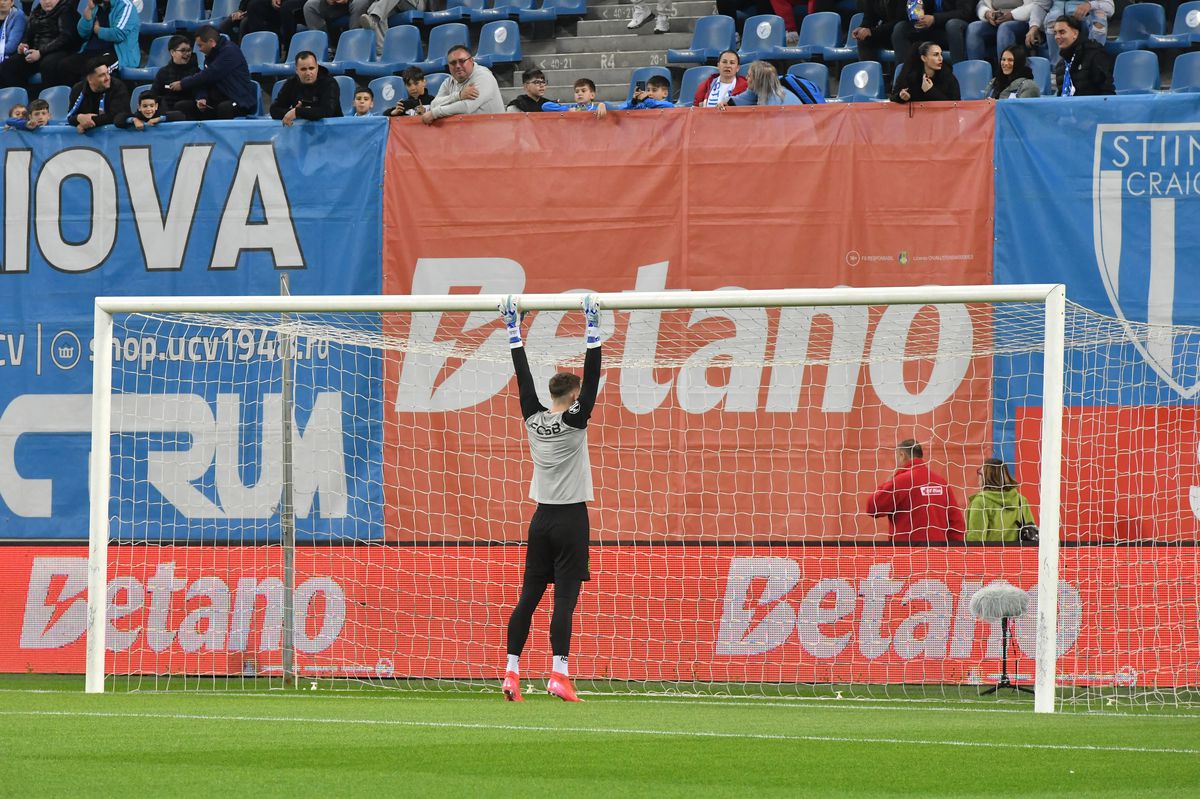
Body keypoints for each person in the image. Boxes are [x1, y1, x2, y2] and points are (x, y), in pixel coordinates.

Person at [499, 295, 603, 704]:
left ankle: (511, 672)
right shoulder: (575, 420)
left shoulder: (532, 417)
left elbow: (522, 377)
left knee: (528, 597)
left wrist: (514, 331)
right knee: (564, 600)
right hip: (571, 519)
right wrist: (592, 329)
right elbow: (593, 380)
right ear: (574, 396)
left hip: (540, 520)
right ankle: (559, 674)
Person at [866, 439, 965, 544]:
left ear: (902, 455)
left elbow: (873, 507)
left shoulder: (900, 481)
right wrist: (953, 549)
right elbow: (956, 522)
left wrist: (886, 484)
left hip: (907, 551)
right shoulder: (941, 482)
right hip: (937, 551)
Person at [167, 25, 258, 119]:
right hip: (218, 100)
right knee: (183, 106)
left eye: (200, 45)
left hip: (239, 101)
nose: (199, 49)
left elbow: (210, 74)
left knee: (224, 108)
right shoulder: (210, 57)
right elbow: (205, 82)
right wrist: (202, 98)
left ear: (211, 42)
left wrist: (183, 83)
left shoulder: (230, 51)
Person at [59, 0, 139, 86]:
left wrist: (98, 30)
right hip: (92, 50)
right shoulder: (96, 5)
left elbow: (118, 34)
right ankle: (73, 94)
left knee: (93, 69)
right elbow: (83, 33)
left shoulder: (125, 6)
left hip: (117, 53)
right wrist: (89, 11)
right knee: (65, 65)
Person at [421, 44, 503, 125]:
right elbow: (434, 104)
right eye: (453, 63)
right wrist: (458, 96)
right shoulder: (448, 82)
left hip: (493, 129)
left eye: (462, 61)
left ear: (471, 60)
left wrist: (435, 113)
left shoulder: (484, 77)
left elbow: (466, 107)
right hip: (468, 130)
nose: (457, 66)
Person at [965, 458, 1036, 544]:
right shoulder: (1021, 501)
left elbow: (975, 540)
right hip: (1018, 552)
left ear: (985, 477)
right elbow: (1031, 532)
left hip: (991, 552)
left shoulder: (980, 502)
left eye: (980, 473)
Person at [269, 50, 342, 124]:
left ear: (317, 68)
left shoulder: (330, 83)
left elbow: (327, 111)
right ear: (296, 70)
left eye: (311, 68)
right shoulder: (291, 83)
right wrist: (295, 112)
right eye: (303, 69)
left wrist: (298, 112)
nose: (308, 73)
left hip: (332, 128)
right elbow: (274, 110)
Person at [891, 0, 970, 66]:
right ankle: (905, 75)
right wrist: (913, 11)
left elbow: (965, 12)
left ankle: (959, 73)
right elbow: (900, 16)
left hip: (954, 31)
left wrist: (935, 18)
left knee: (952, 25)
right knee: (900, 28)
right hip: (931, 30)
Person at [965, 0, 1047, 63]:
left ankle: (1005, 75)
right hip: (996, 22)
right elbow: (981, 3)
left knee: (1005, 28)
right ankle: (977, 74)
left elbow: (1039, 4)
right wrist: (987, 13)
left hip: (1023, 21)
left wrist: (1012, 15)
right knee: (974, 28)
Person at [1051, 13, 1112, 95]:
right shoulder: (1061, 65)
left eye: (1062, 32)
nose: (1057, 37)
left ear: (1075, 34)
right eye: (1055, 33)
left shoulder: (1094, 55)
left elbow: (1107, 92)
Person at [66, 55, 129, 132]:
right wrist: (79, 118)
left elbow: (117, 115)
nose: (107, 78)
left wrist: (86, 122)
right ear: (90, 79)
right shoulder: (78, 89)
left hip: (115, 134)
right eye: (101, 75)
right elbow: (70, 116)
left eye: (107, 73)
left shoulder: (118, 87)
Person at [890, 40, 961, 102]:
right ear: (924, 58)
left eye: (941, 54)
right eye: (936, 55)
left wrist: (931, 91)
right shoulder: (909, 75)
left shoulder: (948, 76)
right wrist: (901, 97)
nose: (940, 58)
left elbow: (955, 104)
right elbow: (893, 97)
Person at [151, 34, 199, 116]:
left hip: (187, 113)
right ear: (172, 52)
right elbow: (154, 94)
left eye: (189, 50)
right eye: (183, 50)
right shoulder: (163, 72)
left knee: (182, 105)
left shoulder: (196, 72)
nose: (187, 54)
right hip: (167, 113)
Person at [726, 60, 801, 106]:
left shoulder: (774, 101)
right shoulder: (762, 88)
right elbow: (743, 98)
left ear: (757, 80)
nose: (746, 78)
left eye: (749, 76)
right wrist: (726, 101)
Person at [541, 77, 607, 117]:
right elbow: (545, 106)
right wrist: (567, 110)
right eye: (577, 91)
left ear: (592, 95)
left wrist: (603, 105)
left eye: (583, 91)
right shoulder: (571, 108)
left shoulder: (598, 109)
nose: (579, 93)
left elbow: (613, 107)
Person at [116, 91, 185, 128]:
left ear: (156, 106)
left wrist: (159, 119)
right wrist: (134, 120)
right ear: (139, 107)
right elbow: (117, 120)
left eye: (151, 106)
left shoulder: (161, 114)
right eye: (145, 106)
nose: (148, 109)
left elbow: (181, 115)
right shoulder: (137, 116)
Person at [0, 0, 28, 67]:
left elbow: (11, 47)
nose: (2, 2)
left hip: (9, 57)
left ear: (12, 2)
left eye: (5, 0)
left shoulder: (18, 16)